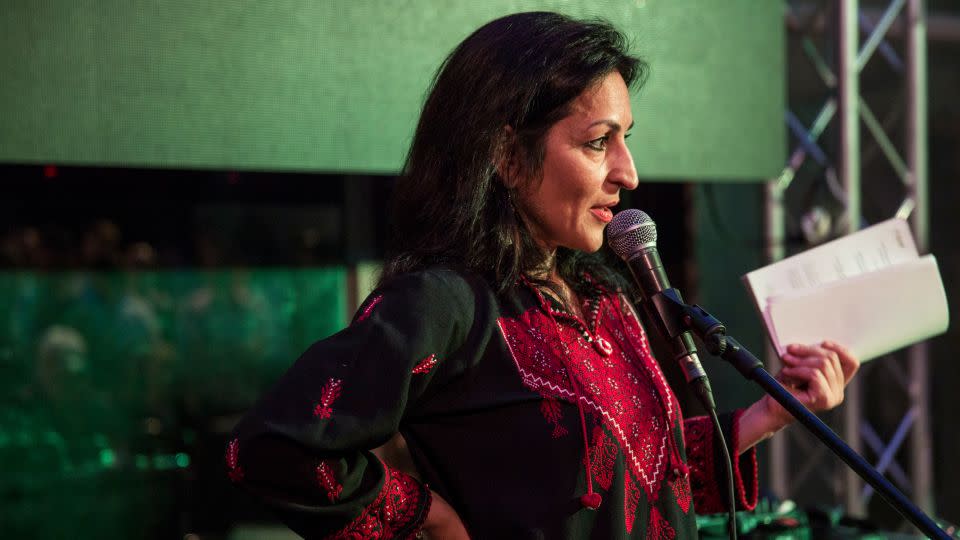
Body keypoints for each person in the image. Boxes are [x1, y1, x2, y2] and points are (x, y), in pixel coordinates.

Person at [227, 12, 859, 539]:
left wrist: (765, 417)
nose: (629, 171)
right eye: (597, 142)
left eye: (626, 138)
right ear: (505, 154)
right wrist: (428, 518)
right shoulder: (444, 303)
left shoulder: (605, 295)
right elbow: (274, 448)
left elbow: (635, 486)